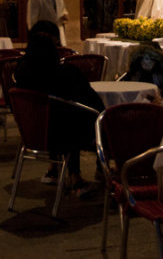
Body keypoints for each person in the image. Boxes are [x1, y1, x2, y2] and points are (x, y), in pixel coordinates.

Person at [14, 20, 105, 195]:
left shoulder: (21, 72)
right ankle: (82, 176)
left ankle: (54, 169)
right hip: (63, 136)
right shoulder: (66, 74)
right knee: (93, 121)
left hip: (33, 134)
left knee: (65, 117)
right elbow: (94, 104)